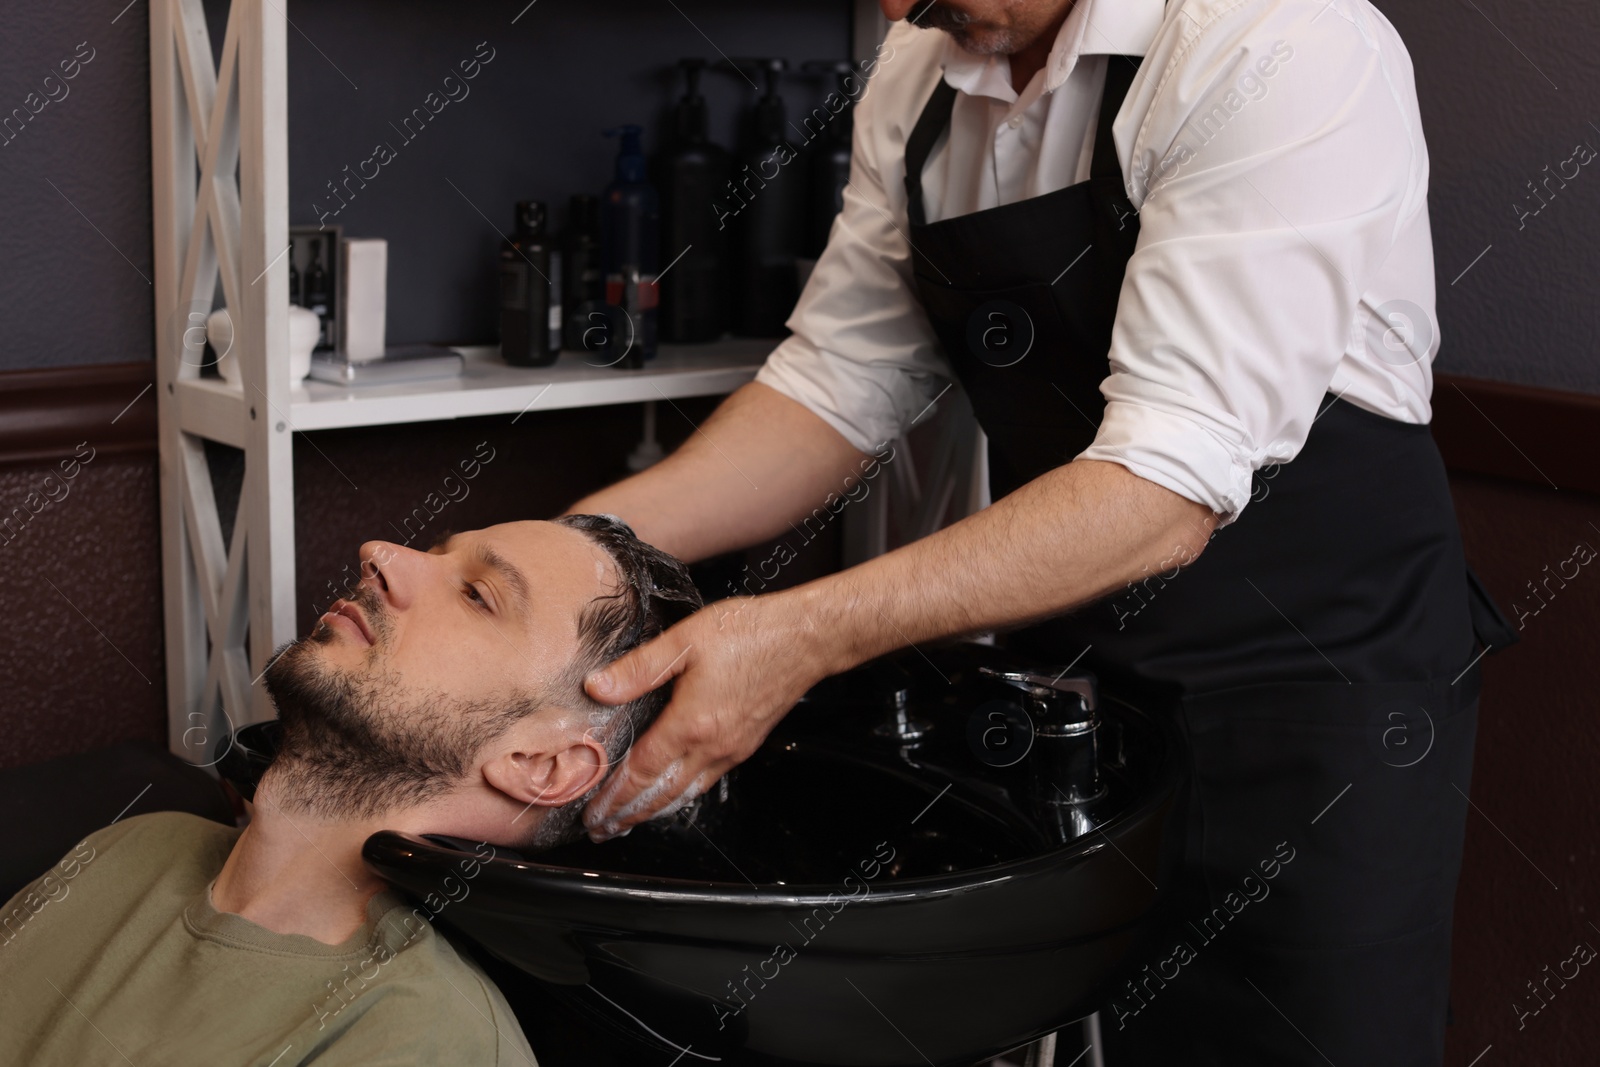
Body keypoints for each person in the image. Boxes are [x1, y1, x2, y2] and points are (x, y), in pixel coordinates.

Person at [568, 0, 1514, 1063]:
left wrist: (798, 633)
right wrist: (573, 545)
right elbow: (838, 381)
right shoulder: (921, 65)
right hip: (1091, 685)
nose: (892, 6)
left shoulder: (1276, 42)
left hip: (1319, 702)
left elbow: (1161, 486)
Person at [0, 516, 701, 1067]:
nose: (380, 552)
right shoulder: (138, 844)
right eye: (438, 552)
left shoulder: (423, 1038)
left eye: (477, 594)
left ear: (542, 764)